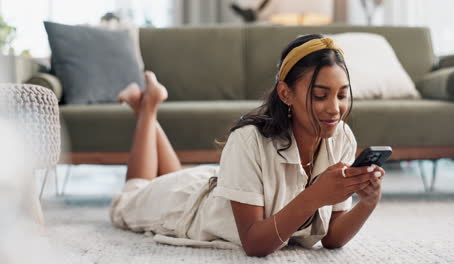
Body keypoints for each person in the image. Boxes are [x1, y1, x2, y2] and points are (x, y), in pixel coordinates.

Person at [110, 34, 386, 257]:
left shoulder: (342, 137)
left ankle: (146, 107)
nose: (334, 109)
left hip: (219, 185)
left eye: (342, 95)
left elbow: (332, 238)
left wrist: (367, 203)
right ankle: (147, 109)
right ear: (285, 93)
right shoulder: (248, 140)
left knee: (175, 175)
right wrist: (315, 196)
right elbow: (255, 244)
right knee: (129, 196)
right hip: (189, 210)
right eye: (320, 96)